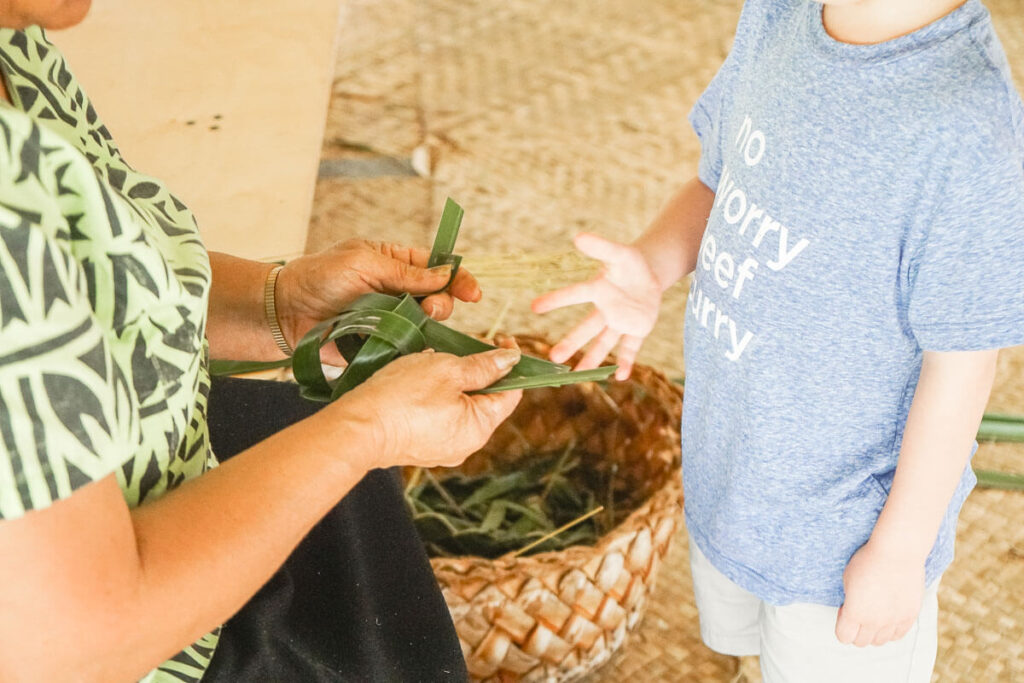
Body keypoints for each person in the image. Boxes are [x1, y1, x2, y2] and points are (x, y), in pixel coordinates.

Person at [0, 1, 523, 681]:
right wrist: (364, 428)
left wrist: (276, 305)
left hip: (156, 459)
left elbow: (84, 278)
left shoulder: (18, 36)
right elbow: (84, 640)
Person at [533, 0, 1024, 680]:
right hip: (738, 475)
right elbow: (724, 177)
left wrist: (899, 553)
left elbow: (962, 365)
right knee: (758, 656)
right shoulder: (780, 13)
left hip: (844, 536)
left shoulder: (966, 128)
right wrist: (652, 263)